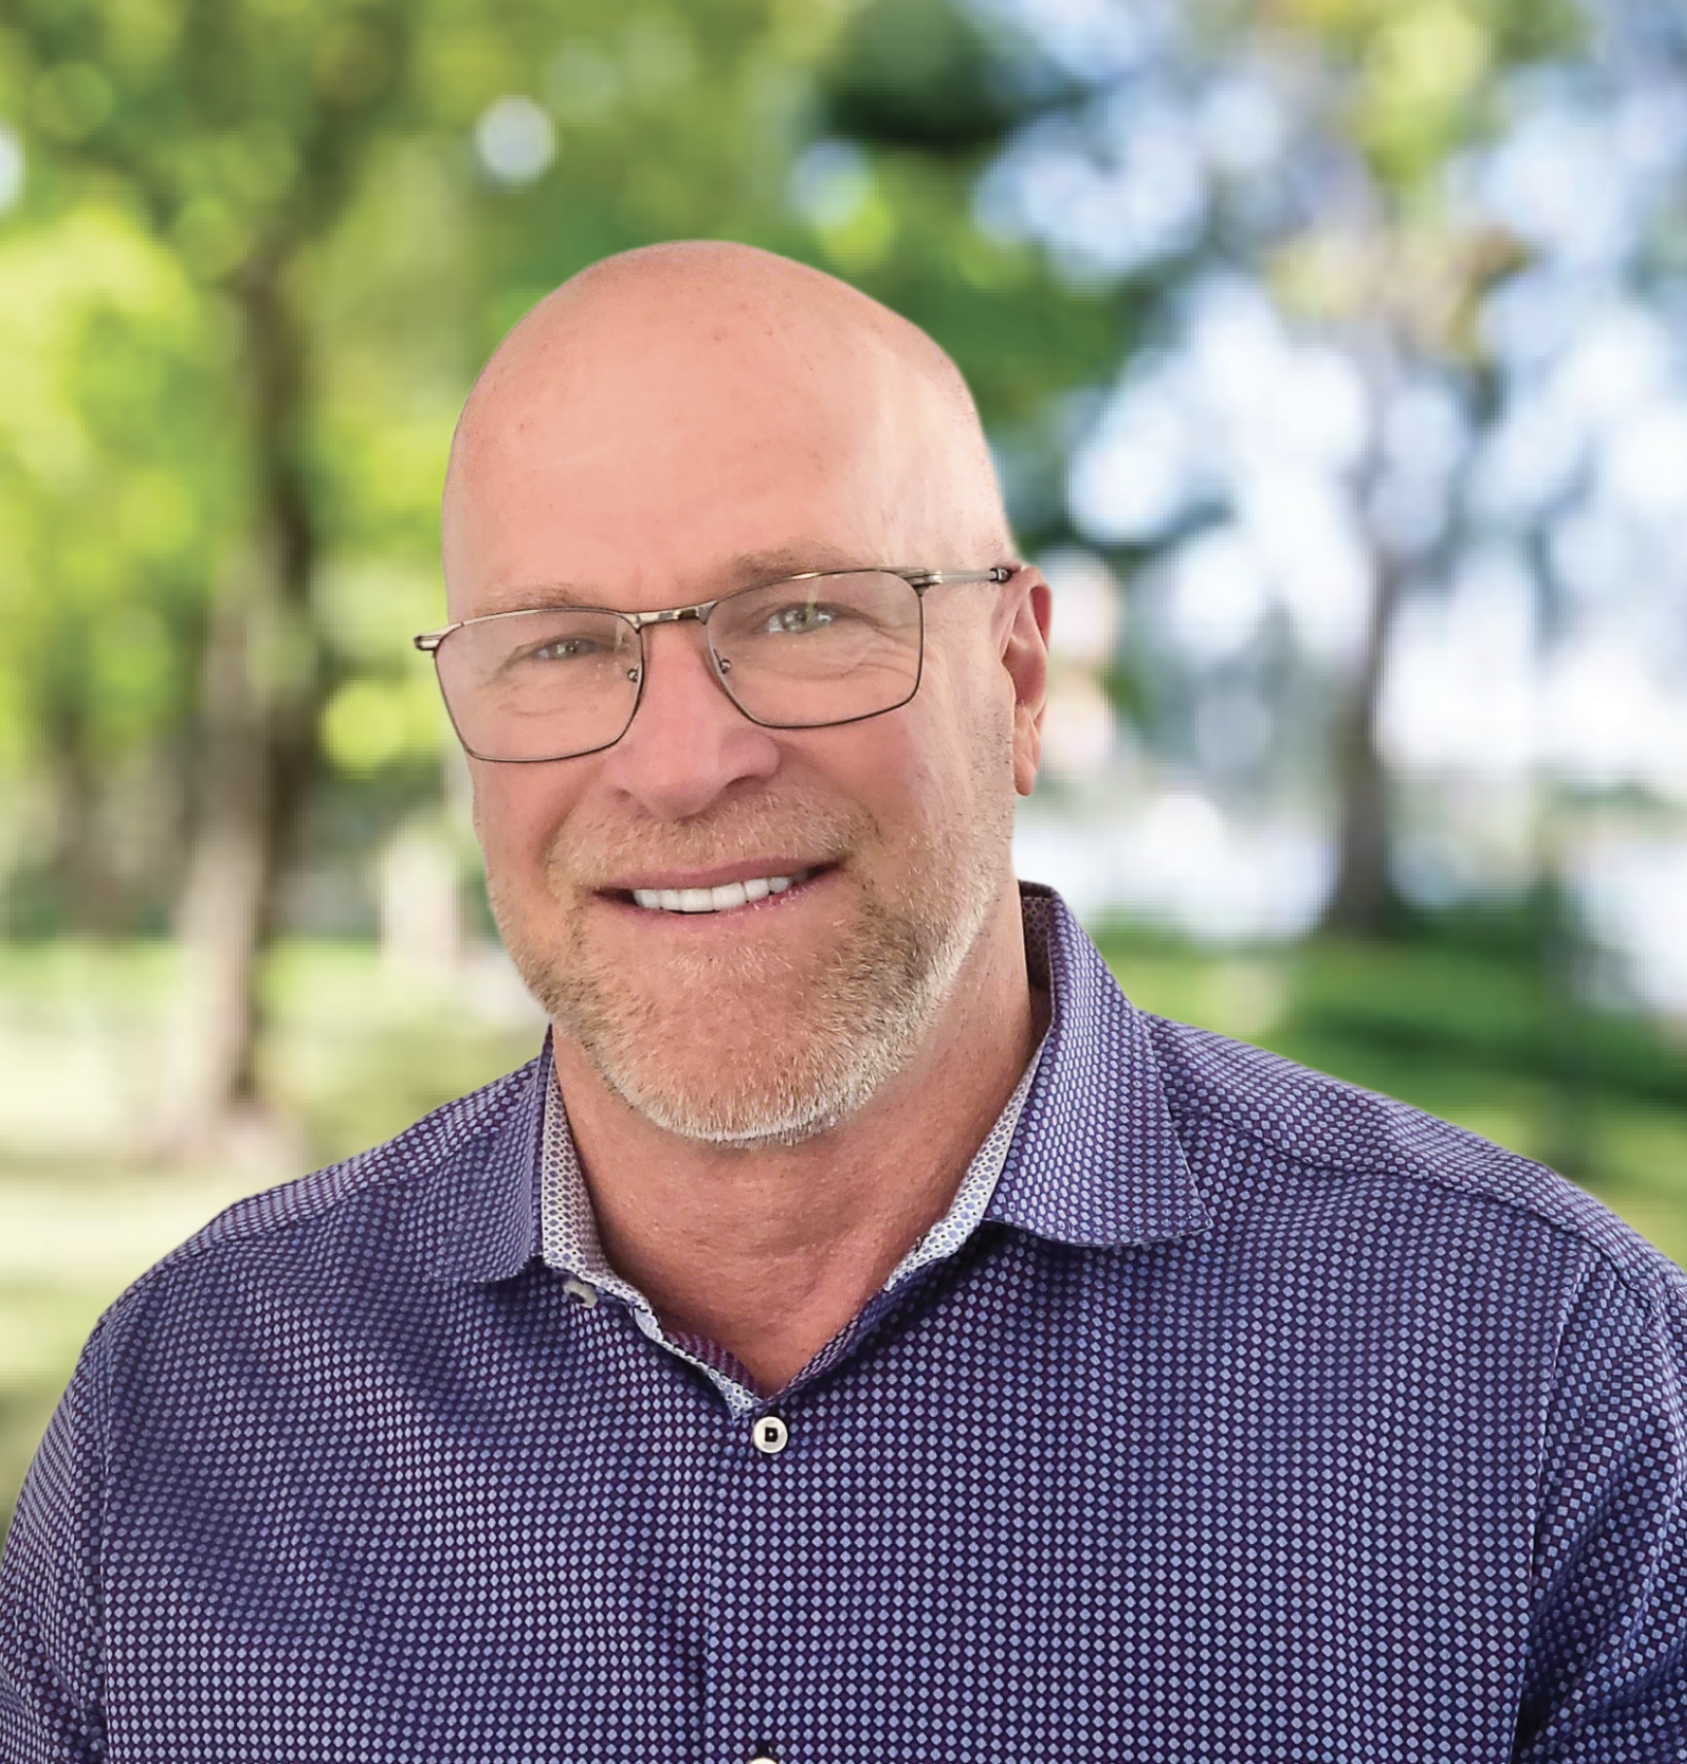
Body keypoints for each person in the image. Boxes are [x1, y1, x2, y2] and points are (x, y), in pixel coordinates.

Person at [2, 242, 1683, 1764]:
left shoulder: (1540, 1379)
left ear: (1014, 686)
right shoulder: (186, 1403)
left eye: (801, 613)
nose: (679, 762)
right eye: (562, 646)